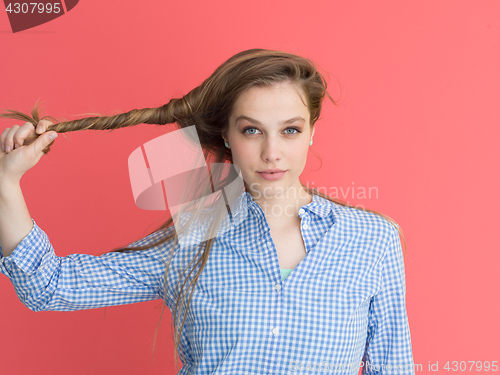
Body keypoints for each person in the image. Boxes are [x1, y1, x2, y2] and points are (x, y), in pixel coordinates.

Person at [0, 48, 414, 374]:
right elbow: (49, 287)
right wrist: (5, 184)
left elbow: (392, 369)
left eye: (290, 129)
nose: (272, 153)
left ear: (310, 133)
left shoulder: (372, 239)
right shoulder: (193, 236)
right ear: (228, 136)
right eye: (252, 130)